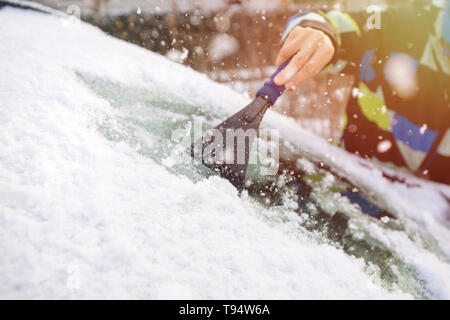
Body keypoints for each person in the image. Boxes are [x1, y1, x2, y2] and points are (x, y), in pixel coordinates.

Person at [273, 0, 450, 184]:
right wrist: (318, 29)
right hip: (342, 192)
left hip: (425, 211)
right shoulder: (401, 24)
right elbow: (344, 23)